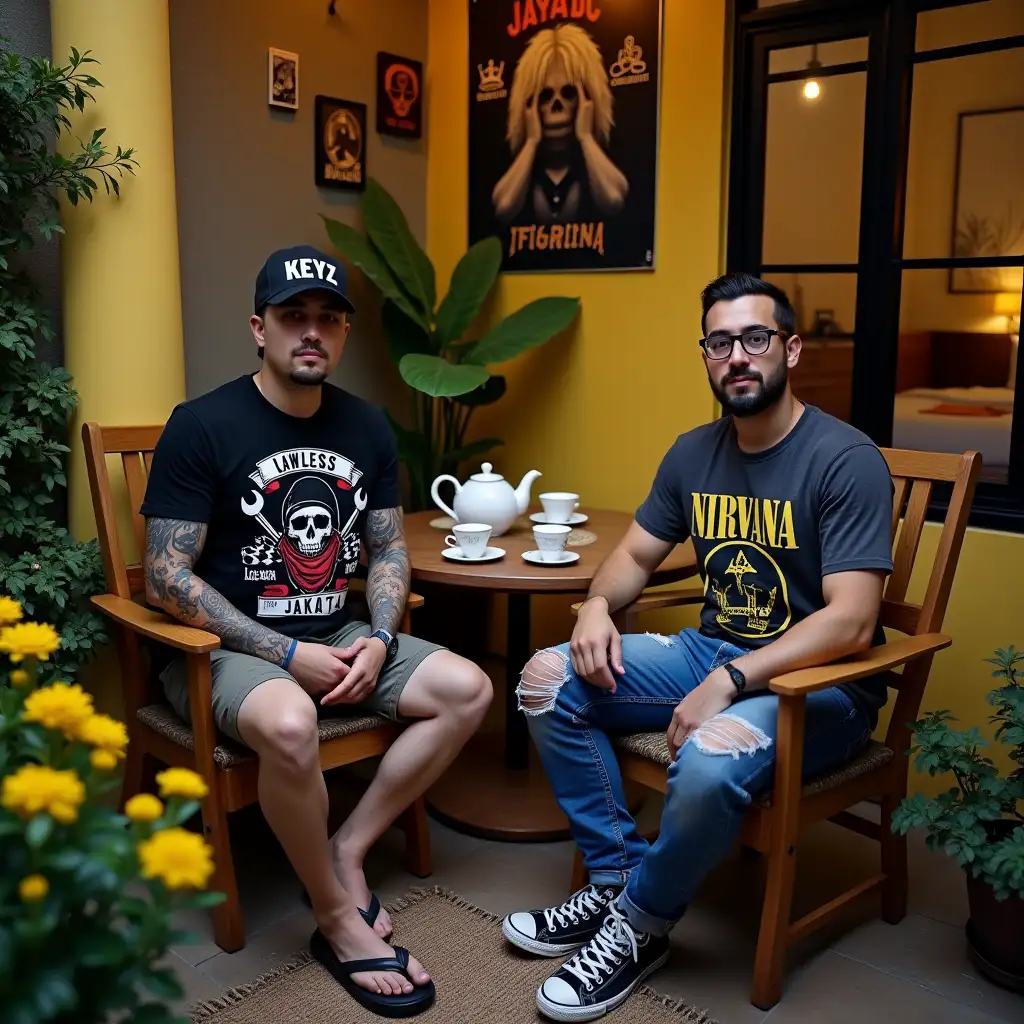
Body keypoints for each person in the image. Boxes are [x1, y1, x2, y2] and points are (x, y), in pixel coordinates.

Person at [503, 271, 894, 1022]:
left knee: (711, 759)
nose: (737, 356)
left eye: (755, 338)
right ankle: (618, 880)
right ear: (706, 355)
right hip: (711, 651)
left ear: (791, 348)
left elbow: (853, 622)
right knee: (546, 679)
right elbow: (633, 560)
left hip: (820, 688)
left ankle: (639, 926)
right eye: (720, 342)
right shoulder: (693, 453)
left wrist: (733, 682)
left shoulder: (844, 460)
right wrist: (592, 607)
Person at [141, 244, 492, 1017]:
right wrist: (285, 653)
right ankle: (334, 914)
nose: (312, 332)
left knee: (469, 689)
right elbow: (165, 576)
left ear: (340, 334)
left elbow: (389, 547)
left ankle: (348, 848)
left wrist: (378, 635)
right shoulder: (202, 425)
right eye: (293, 317)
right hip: (227, 652)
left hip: (341, 630)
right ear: (258, 328)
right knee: (293, 722)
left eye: (327, 319)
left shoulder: (365, 425)